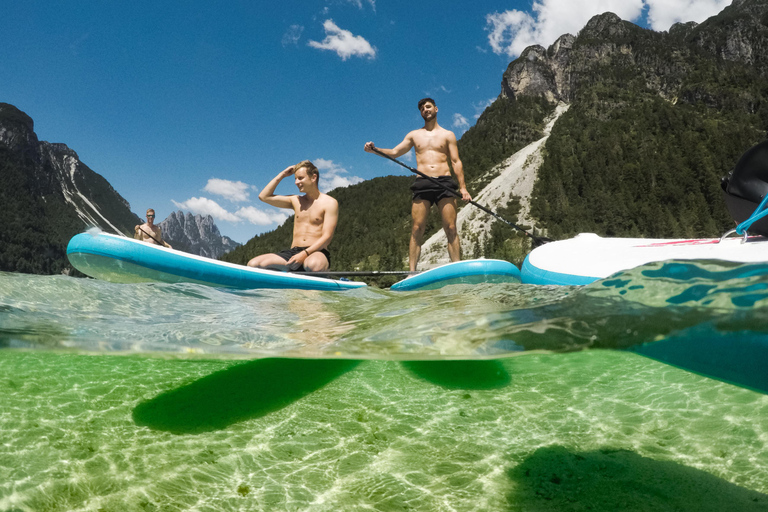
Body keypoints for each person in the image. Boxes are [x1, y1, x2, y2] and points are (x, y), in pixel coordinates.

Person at [365, 97, 472, 271]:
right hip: (423, 181)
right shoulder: (414, 135)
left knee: (451, 227)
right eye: (422, 108)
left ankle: (457, 269)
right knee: (416, 228)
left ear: (436, 109)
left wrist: (463, 188)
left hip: (444, 181)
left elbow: (456, 161)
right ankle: (411, 273)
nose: (425, 110)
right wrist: (375, 149)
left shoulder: (448, 135)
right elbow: (394, 152)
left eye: (428, 107)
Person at [247, 160, 338, 272]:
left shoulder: (330, 203)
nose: (296, 182)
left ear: (313, 177)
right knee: (254, 264)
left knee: (313, 265)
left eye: (300, 178)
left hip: (316, 252)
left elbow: (327, 237)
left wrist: (304, 254)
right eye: (295, 178)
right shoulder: (296, 200)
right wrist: (283, 175)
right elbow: (263, 196)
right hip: (293, 253)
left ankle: (322, 273)